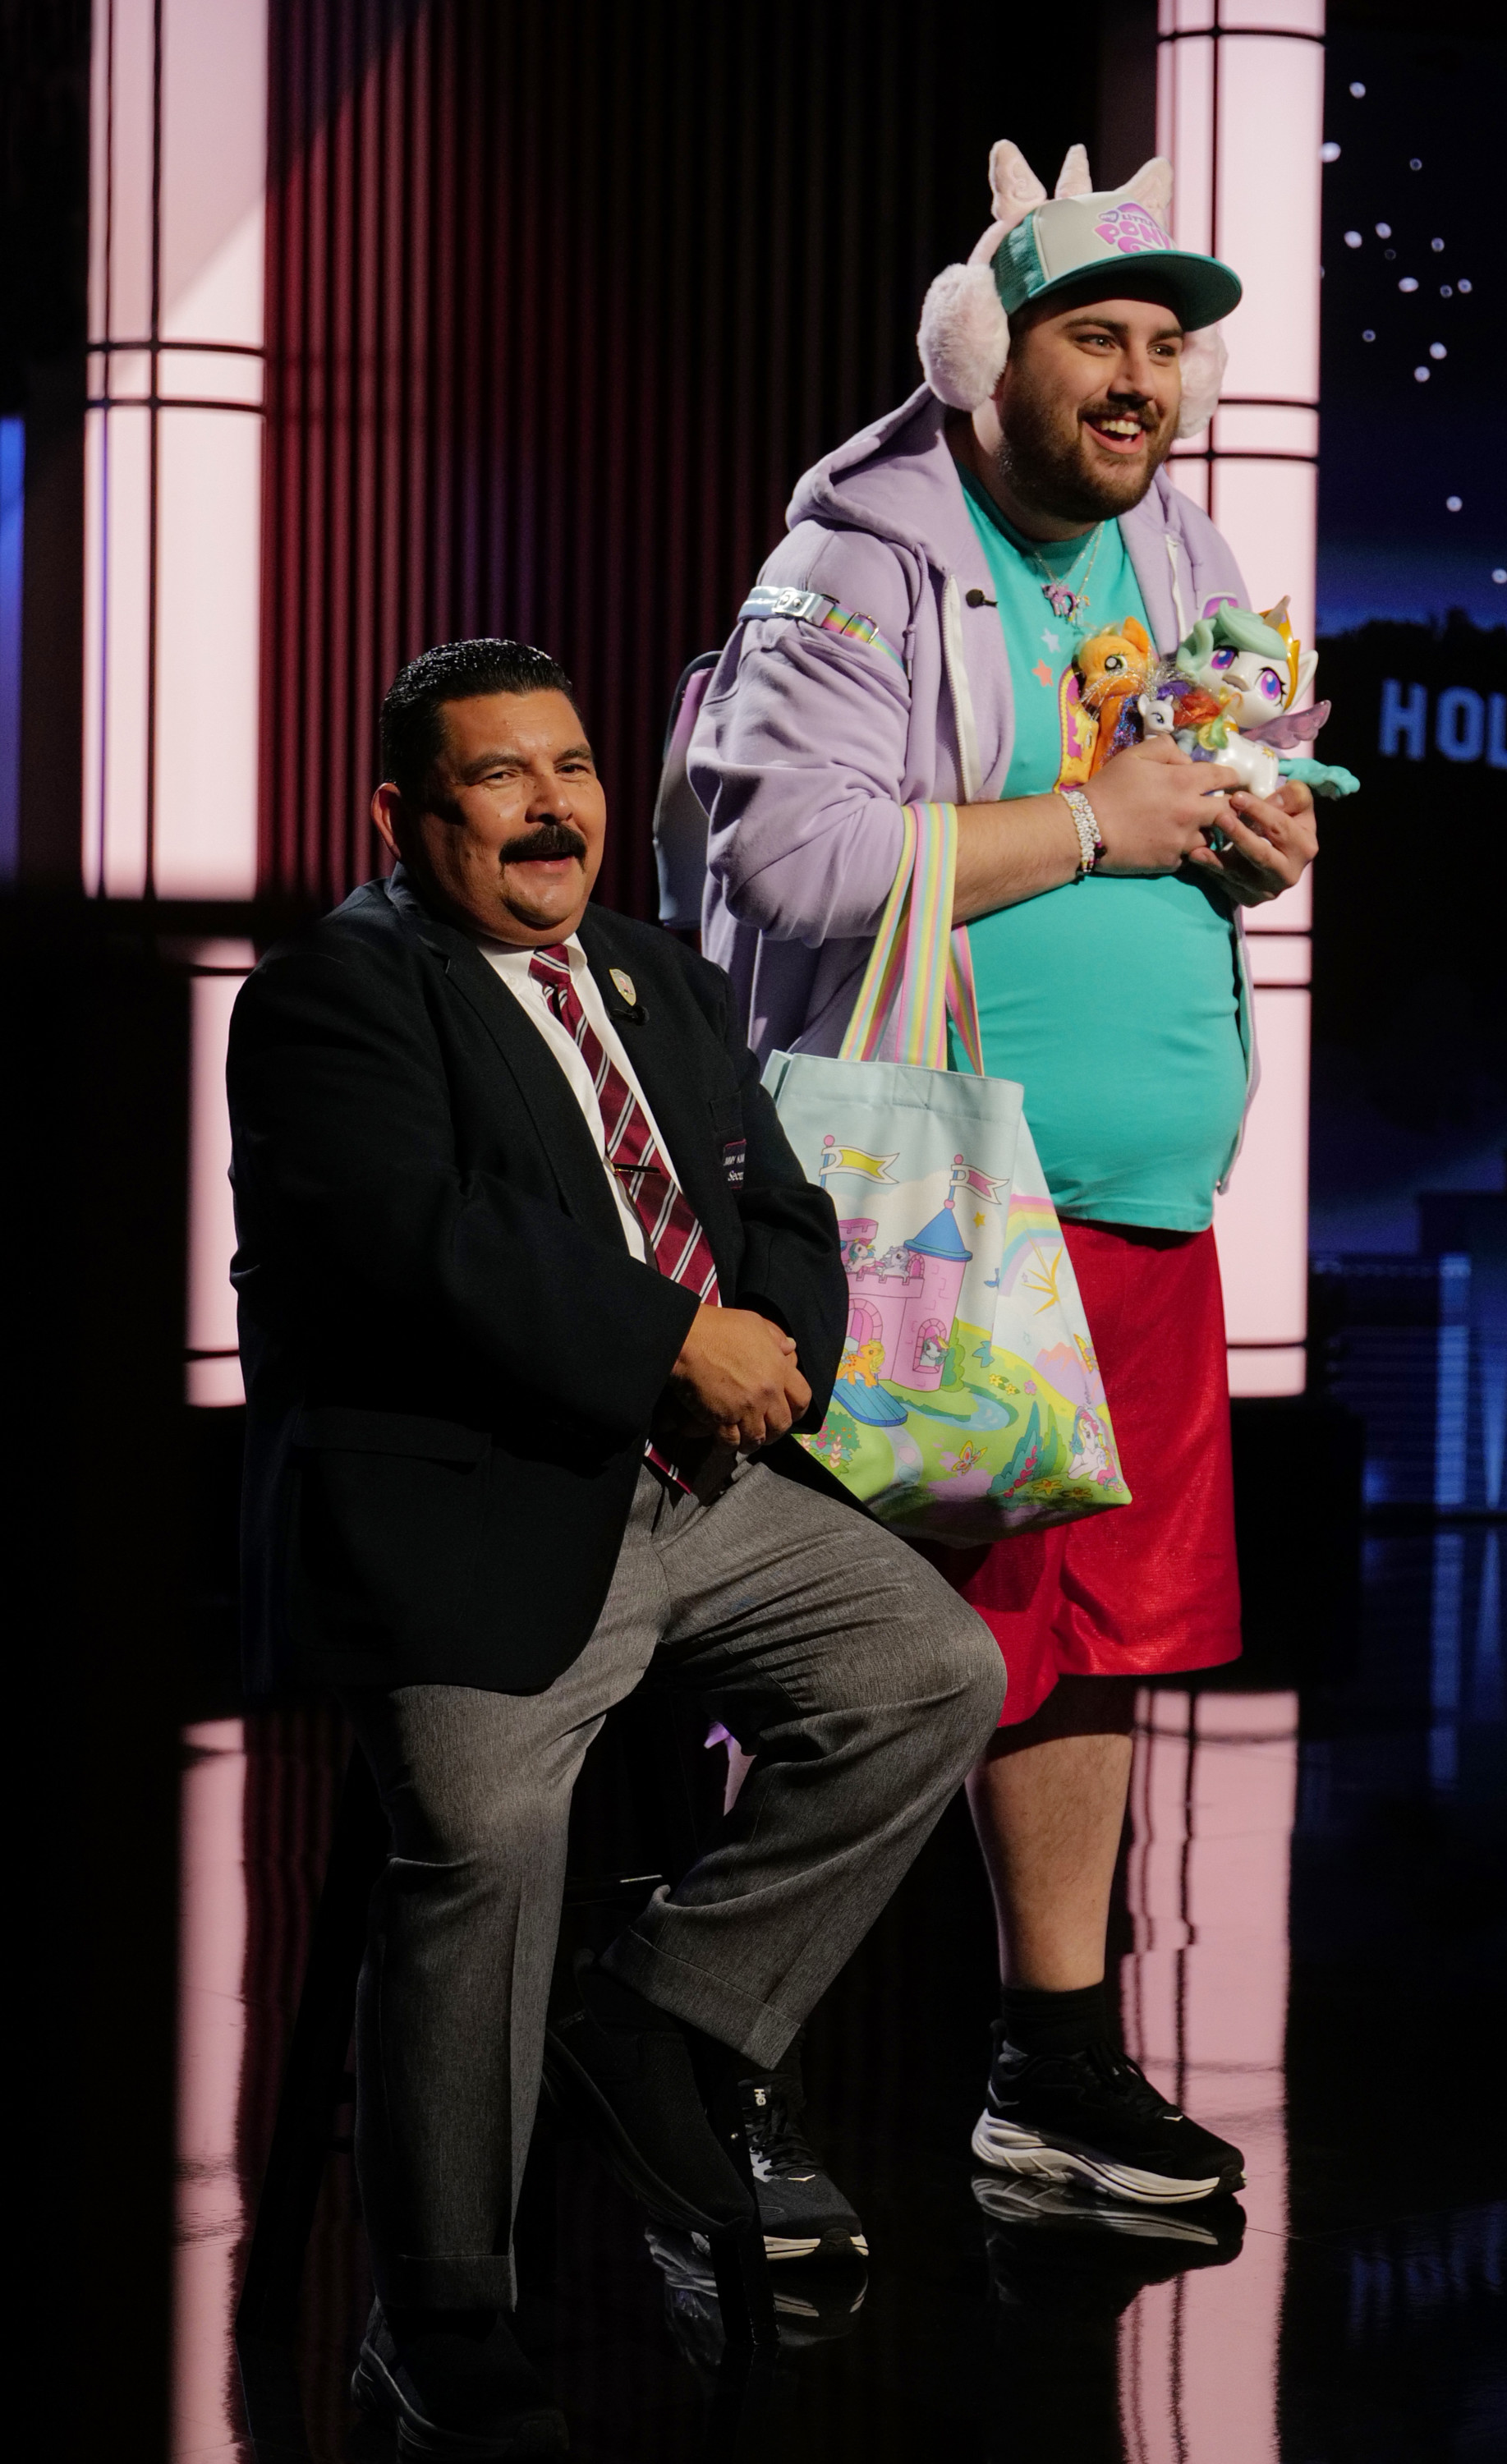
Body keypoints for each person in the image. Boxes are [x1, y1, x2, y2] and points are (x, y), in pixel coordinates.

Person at [228, 637, 1005, 2456]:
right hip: (467, 1505)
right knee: (486, 1843)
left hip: (695, 1489)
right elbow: (426, 1241)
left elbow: (774, 1204)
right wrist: (673, 1345)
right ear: (403, 815)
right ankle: (440, 2317)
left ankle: (662, 2017)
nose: (549, 806)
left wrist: (771, 1349)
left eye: (570, 768)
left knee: (931, 1672)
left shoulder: (659, 976)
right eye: (497, 776)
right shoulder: (335, 994)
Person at [691, 145, 1319, 2214]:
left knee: (1098, 1639)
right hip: (919, 1209)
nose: (1139, 381)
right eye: (1092, 339)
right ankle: (711, 2073)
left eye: (1163, 347)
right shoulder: (856, 553)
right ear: (981, 355)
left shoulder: (1182, 542)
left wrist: (1250, 824)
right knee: (833, 1647)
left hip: (1136, 1202)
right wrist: (1095, 823)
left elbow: (1207, 769)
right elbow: (787, 858)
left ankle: (1050, 2070)